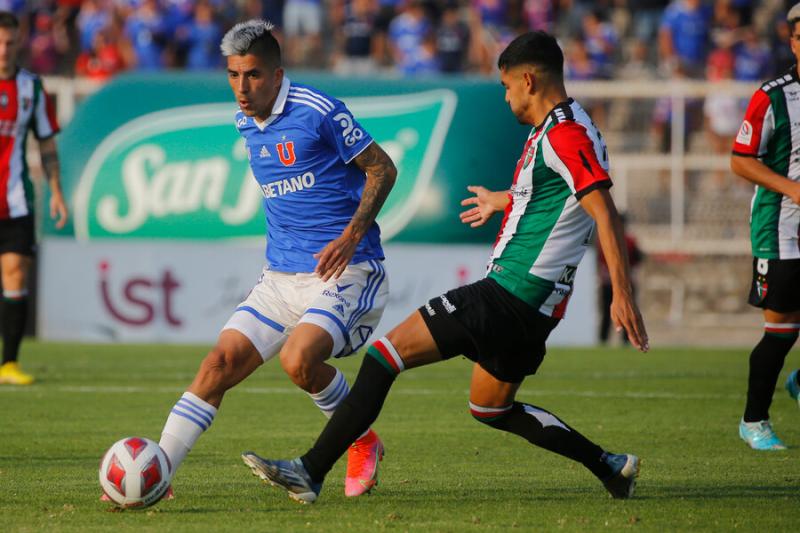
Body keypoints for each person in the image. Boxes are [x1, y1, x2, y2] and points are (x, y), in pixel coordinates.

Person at [243, 30, 649, 504]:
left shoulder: (564, 134)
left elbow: (602, 208)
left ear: (529, 80)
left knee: (382, 359)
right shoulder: (573, 124)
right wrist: (506, 201)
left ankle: (311, 471)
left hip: (510, 292)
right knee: (490, 407)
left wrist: (622, 292)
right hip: (538, 308)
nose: (506, 97)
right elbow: (561, 195)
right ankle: (610, 466)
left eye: (506, 86)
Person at [152, 19, 397, 499]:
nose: (242, 88)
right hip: (281, 276)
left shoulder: (318, 110)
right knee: (217, 365)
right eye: (233, 75)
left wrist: (351, 234)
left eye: (253, 75)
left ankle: (359, 441)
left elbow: (382, 168)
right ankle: (156, 474)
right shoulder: (245, 121)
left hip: (348, 268)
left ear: (278, 74)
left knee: (299, 359)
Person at [730, 2, 800, 451]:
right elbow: (740, 160)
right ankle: (754, 421)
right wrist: (793, 189)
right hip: (782, 229)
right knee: (782, 330)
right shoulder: (773, 96)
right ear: (793, 41)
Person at [0, 11, 68, 385]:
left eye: (9, 42)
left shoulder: (31, 88)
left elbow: (46, 143)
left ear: (19, 42)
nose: (4, 50)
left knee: (14, 273)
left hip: (14, 200)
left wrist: (56, 191)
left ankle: (8, 363)